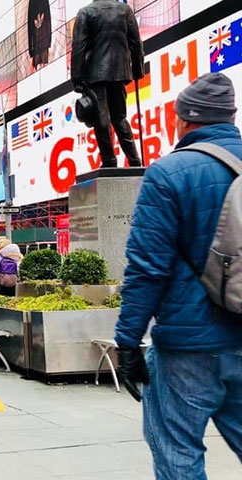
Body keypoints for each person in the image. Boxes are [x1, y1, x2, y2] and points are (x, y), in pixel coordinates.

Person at [115, 73, 242, 479]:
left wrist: (127, 341)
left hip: (186, 347)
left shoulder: (169, 173)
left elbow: (147, 269)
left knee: (178, 455)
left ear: (185, 120)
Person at [71, 0, 144, 168]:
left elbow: (78, 47)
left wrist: (77, 77)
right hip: (120, 72)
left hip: (95, 74)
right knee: (120, 118)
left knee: (101, 120)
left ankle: (109, 161)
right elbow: (136, 44)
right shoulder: (125, 11)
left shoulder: (86, 12)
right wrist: (138, 70)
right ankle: (135, 160)